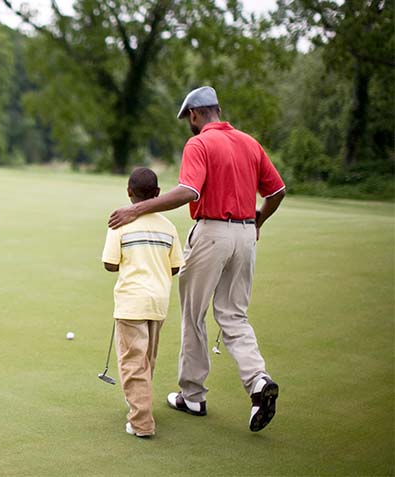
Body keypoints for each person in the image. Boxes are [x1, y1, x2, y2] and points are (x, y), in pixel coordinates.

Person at [108, 86, 286, 432]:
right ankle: (258, 381)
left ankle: (192, 395)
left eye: (187, 119)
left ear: (194, 114)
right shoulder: (250, 142)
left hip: (212, 233)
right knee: (234, 315)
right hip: (246, 233)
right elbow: (277, 192)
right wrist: (257, 221)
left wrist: (136, 209)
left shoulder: (199, 143)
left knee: (193, 314)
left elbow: (189, 191)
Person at [102, 167, 185, 438]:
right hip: (158, 303)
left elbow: (110, 264)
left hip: (131, 303)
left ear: (129, 192)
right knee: (146, 359)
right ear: (158, 194)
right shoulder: (169, 227)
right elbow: (175, 267)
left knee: (132, 362)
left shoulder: (120, 222)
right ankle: (141, 403)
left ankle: (141, 422)